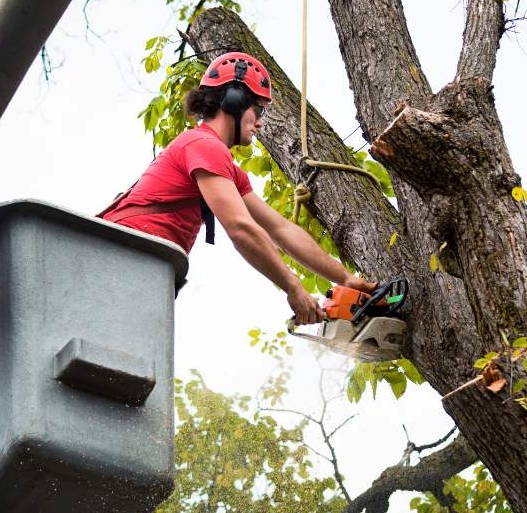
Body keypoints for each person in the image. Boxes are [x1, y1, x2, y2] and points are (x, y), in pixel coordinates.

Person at [99, 52, 377, 324]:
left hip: (139, 263)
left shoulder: (224, 168)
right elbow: (240, 228)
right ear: (233, 101)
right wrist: (293, 287)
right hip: (117, 257)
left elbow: (281, 229)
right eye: (257, 110)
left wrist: (345, 278)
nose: (259, 122)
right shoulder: (204, 146)